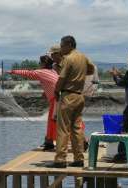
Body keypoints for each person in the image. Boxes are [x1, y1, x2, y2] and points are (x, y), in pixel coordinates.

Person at [46, 35, 95, 168]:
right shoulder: (83, 57)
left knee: (62, 129)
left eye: (62, 46)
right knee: (77, 128)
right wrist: (80, 73)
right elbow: (91, 69)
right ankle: (79, 158)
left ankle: (60, 160)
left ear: (69, 45)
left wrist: (56, 91)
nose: (61, 49)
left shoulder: (68, 59)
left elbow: (61, 79)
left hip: (68, 96)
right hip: (80, 96)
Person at [8, 54, 59, 150]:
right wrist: (46, 92)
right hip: (58, 98)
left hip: (56, 100)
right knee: (54, 121)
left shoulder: (42, 72)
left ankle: (50, 142)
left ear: (44, 64)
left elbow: (28, 73)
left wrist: (13, 71)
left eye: (40, 62)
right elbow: (51, 83)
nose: (39, 64)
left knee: (53, 121)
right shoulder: (52, 71)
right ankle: (49, 141)